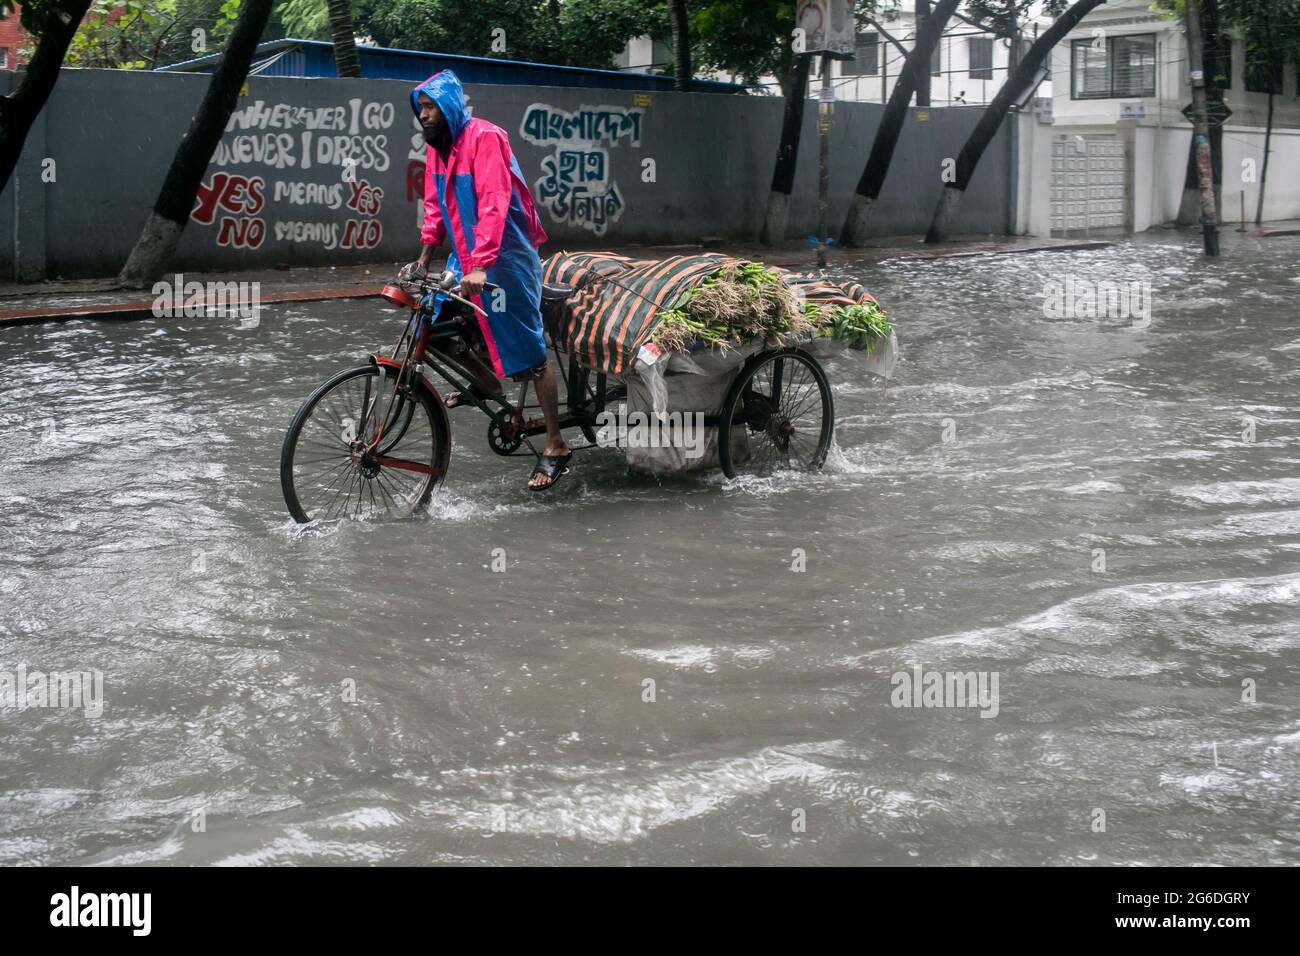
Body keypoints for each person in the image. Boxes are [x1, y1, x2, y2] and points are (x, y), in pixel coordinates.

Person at [403, 70, 571, 491]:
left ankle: (555, 443)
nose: (424, 116)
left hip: (506, 257)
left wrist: (482, 265)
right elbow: (435, 206)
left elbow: (495, 202)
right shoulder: (439, 149)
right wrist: (424, 257)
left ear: (450, 108)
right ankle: (486, 382)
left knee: (530, 352)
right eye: (420, 108)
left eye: (431, 108)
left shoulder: (486, 138)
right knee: (433, 325)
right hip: (467, 255)